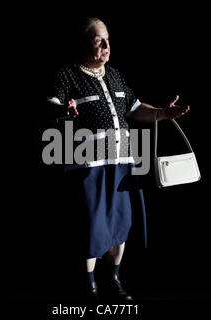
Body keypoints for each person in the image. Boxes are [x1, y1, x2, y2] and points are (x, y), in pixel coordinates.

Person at [46, 18, 190, 301]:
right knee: (92, 224)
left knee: (120, 222)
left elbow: (135, 108)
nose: (106, 45)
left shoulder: (115, 75)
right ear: (84, 42)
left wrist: (161, 113)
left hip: (122, 160)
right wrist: (64, 109)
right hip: (88, 164)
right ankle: (89, 285)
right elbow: (52, 104)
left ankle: (113, 278)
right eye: (99, 40)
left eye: (108, 39)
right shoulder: (67, 75)